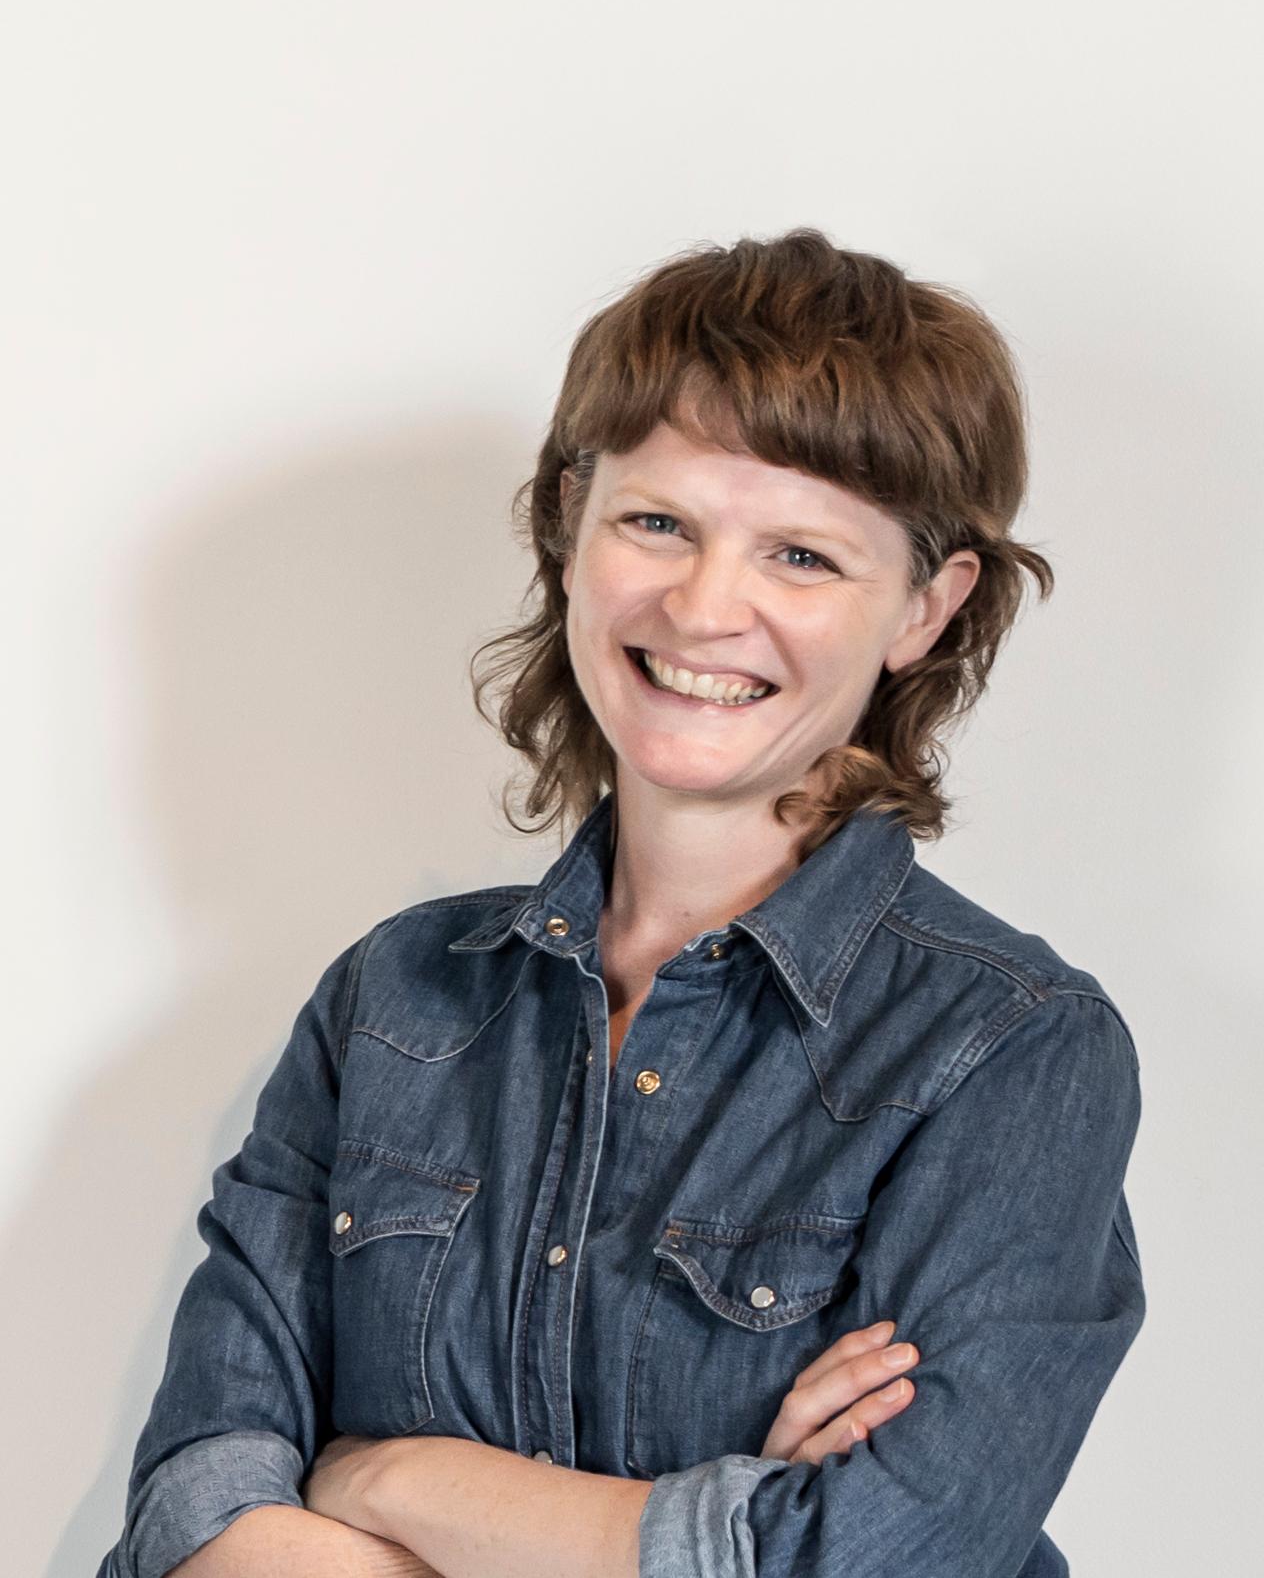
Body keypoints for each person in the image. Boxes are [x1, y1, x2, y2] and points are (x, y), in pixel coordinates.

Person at [96, 227, 1145, 1578]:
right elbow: (198, 1505)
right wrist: (704, 1532)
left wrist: (384, 1475)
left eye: (804, 558)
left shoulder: (1011, 1052)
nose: (707, 607)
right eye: (659, 522)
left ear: (925, 611)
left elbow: (881, 1560)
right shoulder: (395, 1000)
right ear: (569, 527)